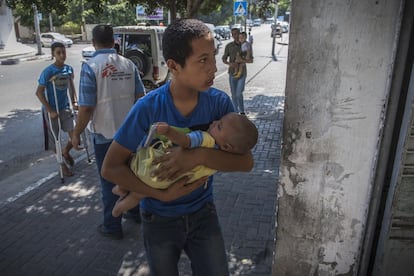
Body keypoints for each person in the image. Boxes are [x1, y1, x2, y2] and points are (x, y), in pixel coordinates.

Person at [101, 19, 254, 275]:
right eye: (203, 60)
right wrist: (160, 194)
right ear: (173, 66)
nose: (214, 68)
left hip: (203, 212)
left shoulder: (219, 104)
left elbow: (245, 162)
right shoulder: (148, 108)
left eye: (213, 57)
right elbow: (111, 167)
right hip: (158, 217)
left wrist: (196, 156)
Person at [72, 24, 146, 240]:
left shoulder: (90, 67)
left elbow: (85, 108)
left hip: (105, 135)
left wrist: (76, 133)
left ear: (93, 43)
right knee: (131, 174)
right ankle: (134, 212)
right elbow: (141, 98)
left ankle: (112, 226)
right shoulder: (129, 64)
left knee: (109, 181)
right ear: (114, 41)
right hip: (130, 135)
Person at [111, 112, 258, 217]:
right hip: (168, 182)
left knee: (134, 162)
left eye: (218, 126)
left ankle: (122, 188)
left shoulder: (206, 139)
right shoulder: (221, 160)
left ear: (227, 146)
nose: (213, 122)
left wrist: (168, 131)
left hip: (158, 168)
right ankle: (119, 208)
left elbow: (185, 141)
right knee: (138, 195)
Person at [35, 42, 77, 177]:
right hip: (52, 110)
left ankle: (66, 151)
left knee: (76, 137)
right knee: (56, 140)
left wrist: (74, 101)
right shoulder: (48, 72)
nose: (62, 55)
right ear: (53, 54)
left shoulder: (69, 69)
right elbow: (39, 93)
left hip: (64, 108)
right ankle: (62, 165)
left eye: (63, 52)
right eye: (58, 52)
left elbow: (71, 87)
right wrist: (50, 110)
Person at [222, 28, 253, 115]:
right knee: (234, 94)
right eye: (233, 34)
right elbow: (224, 58)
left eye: (237, 34)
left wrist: (242, 60)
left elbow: (251, 60)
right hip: (232, 73)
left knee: (239, 93)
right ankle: (236, 112)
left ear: (240, 34)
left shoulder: (246, 45)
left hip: (242, 73)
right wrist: (229, 64)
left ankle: (242, 111)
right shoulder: (229, 46)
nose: (235, 36)